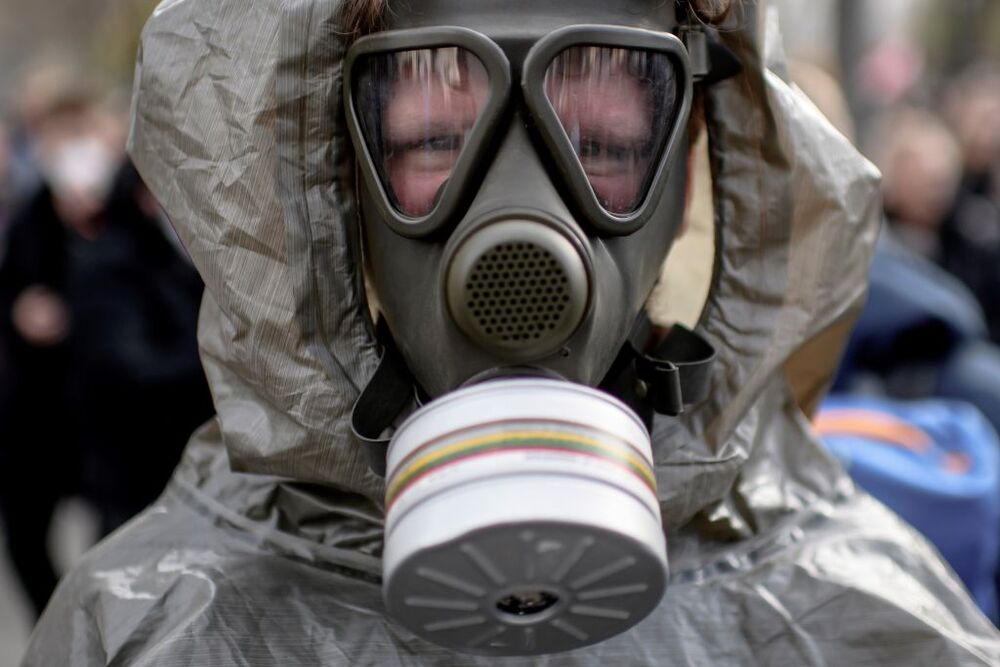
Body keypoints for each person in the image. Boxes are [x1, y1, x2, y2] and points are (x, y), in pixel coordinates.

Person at [23, 1, 1000, 665]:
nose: (525, 240)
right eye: (435, 142)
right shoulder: (151, 627)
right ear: (325, 180)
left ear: (699, 168)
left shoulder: (866, 619)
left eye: (608, 146)